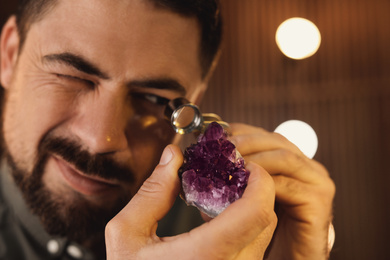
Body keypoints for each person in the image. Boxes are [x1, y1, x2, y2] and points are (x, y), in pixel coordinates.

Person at [0, 0, 335, 259]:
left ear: (193, 105)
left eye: (151, 97)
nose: (102, 139)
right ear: (10, 56)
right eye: (71, 77)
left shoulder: (232, 236)